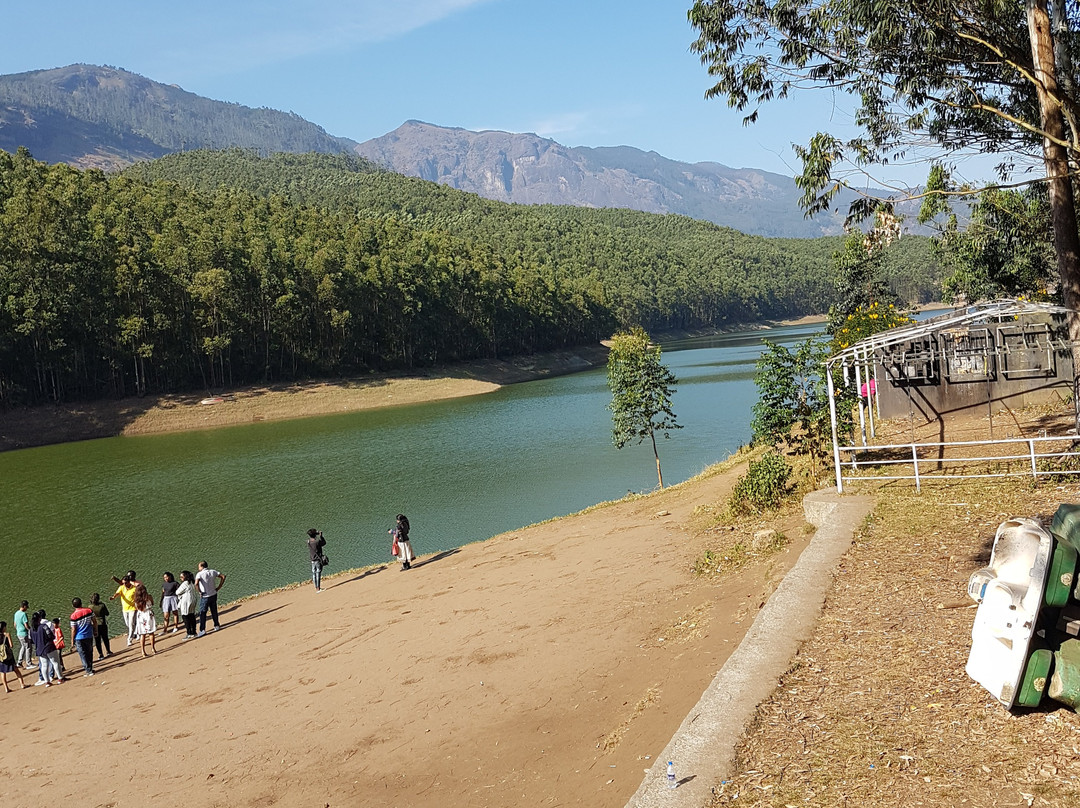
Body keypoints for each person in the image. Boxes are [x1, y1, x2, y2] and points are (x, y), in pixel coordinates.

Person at [30, 612, 63, 686]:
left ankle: (47, 682)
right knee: (55, 662)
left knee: (44, 665)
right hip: (49, 647)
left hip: (39, 649)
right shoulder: (44, 626)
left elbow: (31, 641)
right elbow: (51, 636)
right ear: (39, 618)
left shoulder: (31, 629)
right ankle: (60, 678)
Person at [195, 561, 226, 636]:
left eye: (199, 566)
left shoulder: (199, 574)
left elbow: (196, 583)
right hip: (213, 594)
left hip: (205, 596)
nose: (198, 568)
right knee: (214, 610)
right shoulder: (213, 571)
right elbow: (223, 576)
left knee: (203, 613)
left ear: (202, 566)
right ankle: (216, 625)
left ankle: (202, 630)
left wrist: (199, 591)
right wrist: (219, 587)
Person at [69, 597, 97, 677]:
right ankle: (90, 668)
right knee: (89, 652)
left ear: (73, 606)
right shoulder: (88, 611)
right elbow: (94, 621)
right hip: (88, 634)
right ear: (81, 603)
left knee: (82, 654)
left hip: (79, 637)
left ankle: (88, 670)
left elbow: (73, 629)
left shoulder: (73, 616)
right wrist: (95, 631)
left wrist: (72, 640)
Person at [109, 575, 139, 646]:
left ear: (129, 582)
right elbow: (117, 593)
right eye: (123, 583)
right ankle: (137, 631)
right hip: (125, 609)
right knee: (128, 624)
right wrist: (113, 597)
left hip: (133, 608)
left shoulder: (134, 589)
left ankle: (129, 639)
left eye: (126, 583)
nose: (124, 584)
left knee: (131, 623)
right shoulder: (121, 587)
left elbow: (138, 597)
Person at [0, 621, 27, 692]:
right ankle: (22, 684)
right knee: (16, 670)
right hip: (8, 655)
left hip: (1, 656)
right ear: (3, 628)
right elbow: (11, 645)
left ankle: (6, 688)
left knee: (3, 672)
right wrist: (8, 637)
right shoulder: (6, 635)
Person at [133, 584, 157, 657]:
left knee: (142, 634)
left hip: (141, 615)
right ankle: (153, 648)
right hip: (148, 614)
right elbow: (152, 603)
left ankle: (143, 651)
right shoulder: (149, 597)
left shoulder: (136, 600)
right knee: (151, 633)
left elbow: (137, 608)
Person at [89, 593, 112, 659]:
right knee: (105, 638)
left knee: (97, 640)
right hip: (102, 623)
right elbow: (107, 613)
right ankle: (108, 651)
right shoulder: (102, 605)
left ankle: (101, 654)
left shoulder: (90, 607)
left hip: (94, 625)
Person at [177, 571, 198, 639]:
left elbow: (177, 592)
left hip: (186, 601)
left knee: (185, 617)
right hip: (192, 600)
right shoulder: (192, 582)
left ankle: (189, 633)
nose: (181, 578)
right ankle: (194, 632)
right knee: (192, 615)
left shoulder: (185, 583)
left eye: (182, 577)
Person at [13, 601, 33, 669]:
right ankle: (28, 663)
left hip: (19, 633)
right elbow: (26, 625)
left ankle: (19, 662)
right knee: (28, 647)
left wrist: (18, 630)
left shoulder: (16, 613)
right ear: (24, 606)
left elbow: (15, 625)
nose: (26, 608)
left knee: (23, 646)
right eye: (26, 607)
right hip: (24, 634)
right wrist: (30, 630)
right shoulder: (23, 614)